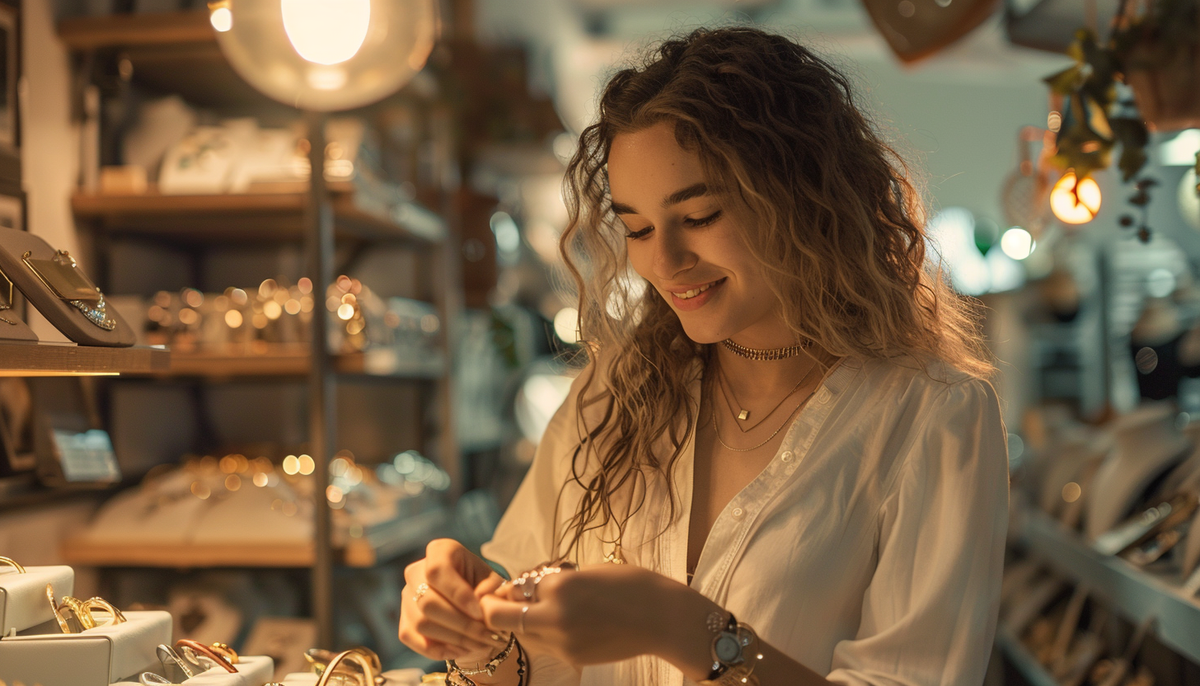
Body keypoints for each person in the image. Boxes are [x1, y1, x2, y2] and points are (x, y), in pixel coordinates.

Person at [398, 26, 1009, 686]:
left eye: (702, 215)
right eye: (636, 228)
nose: (663, 261)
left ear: (804, 196)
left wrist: (681, 627)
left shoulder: (931, 419)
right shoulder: (612, 394)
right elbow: (530, 660)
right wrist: (474, 624)